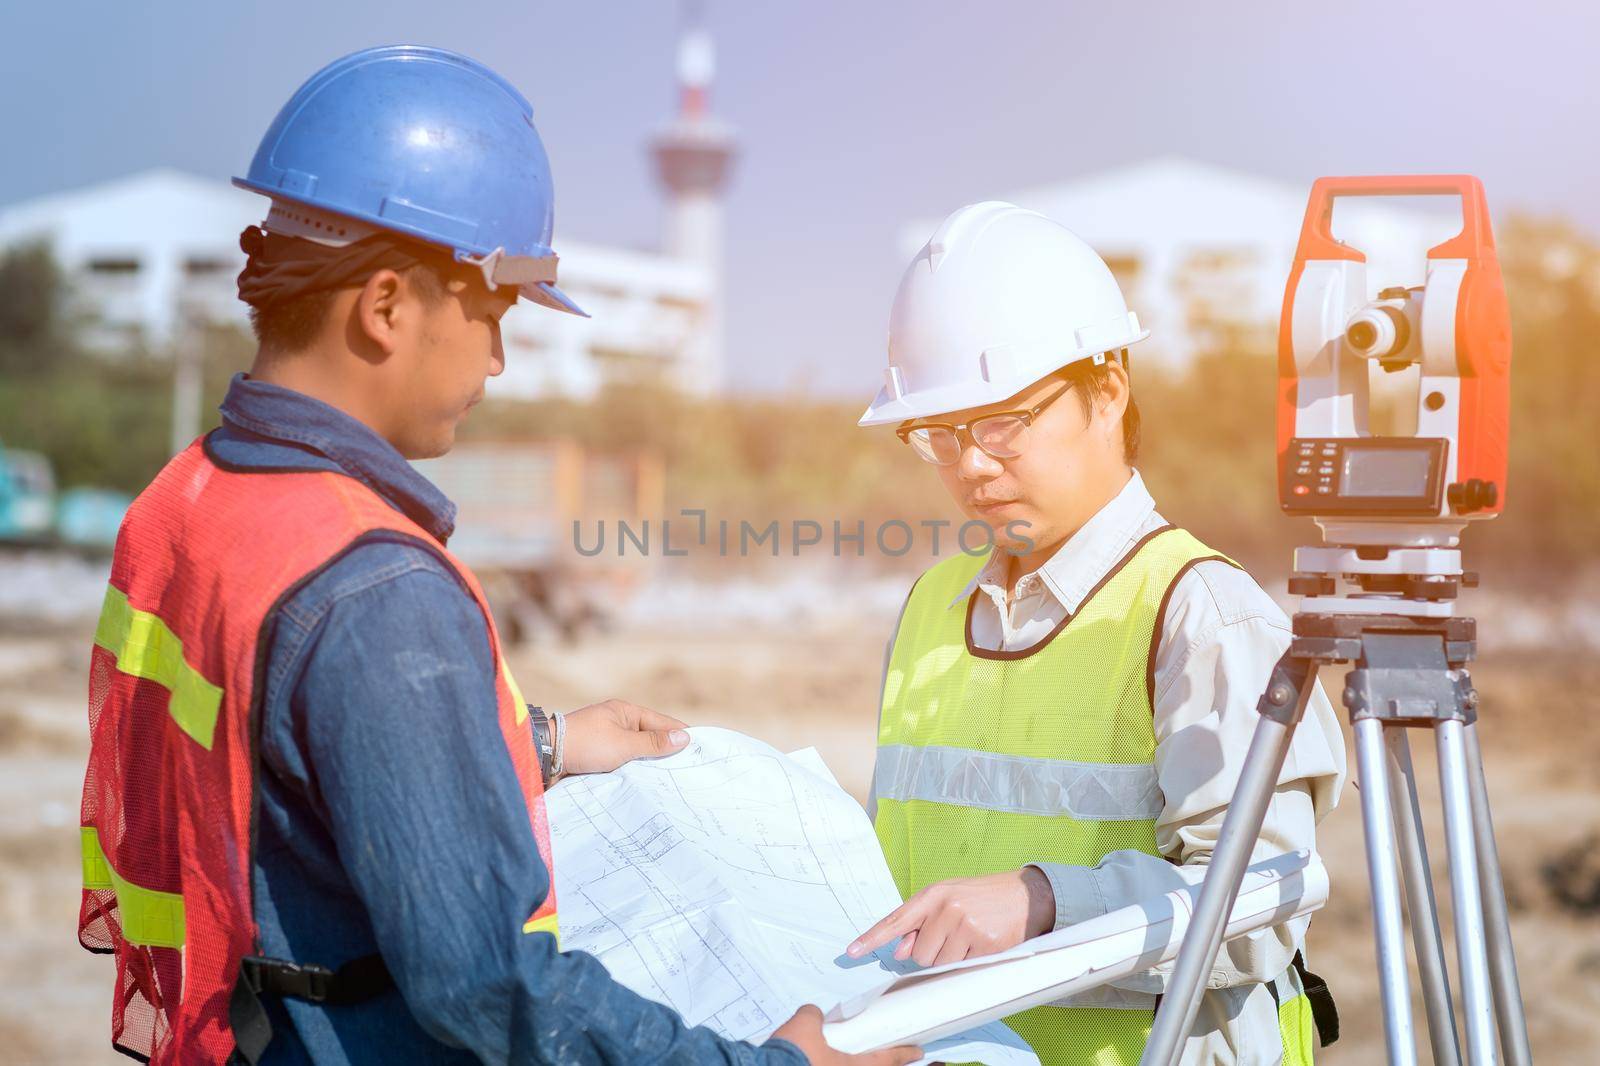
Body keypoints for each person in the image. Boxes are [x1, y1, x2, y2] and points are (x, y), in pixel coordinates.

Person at [75, 45, 916, 1066]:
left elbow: (281, 773)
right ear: (386, 307)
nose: (501, 357)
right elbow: (490, 988)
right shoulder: (375, 591)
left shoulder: (191, 498)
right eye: (491, 312)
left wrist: (537, 745)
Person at [844, 202, 1348, 1065]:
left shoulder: (1200, 614)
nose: (970, 464)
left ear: (1107, 391)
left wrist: (1044, 903)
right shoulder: (931, 607)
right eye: (940, 434)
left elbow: (1263, 912)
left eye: (1002, 421)